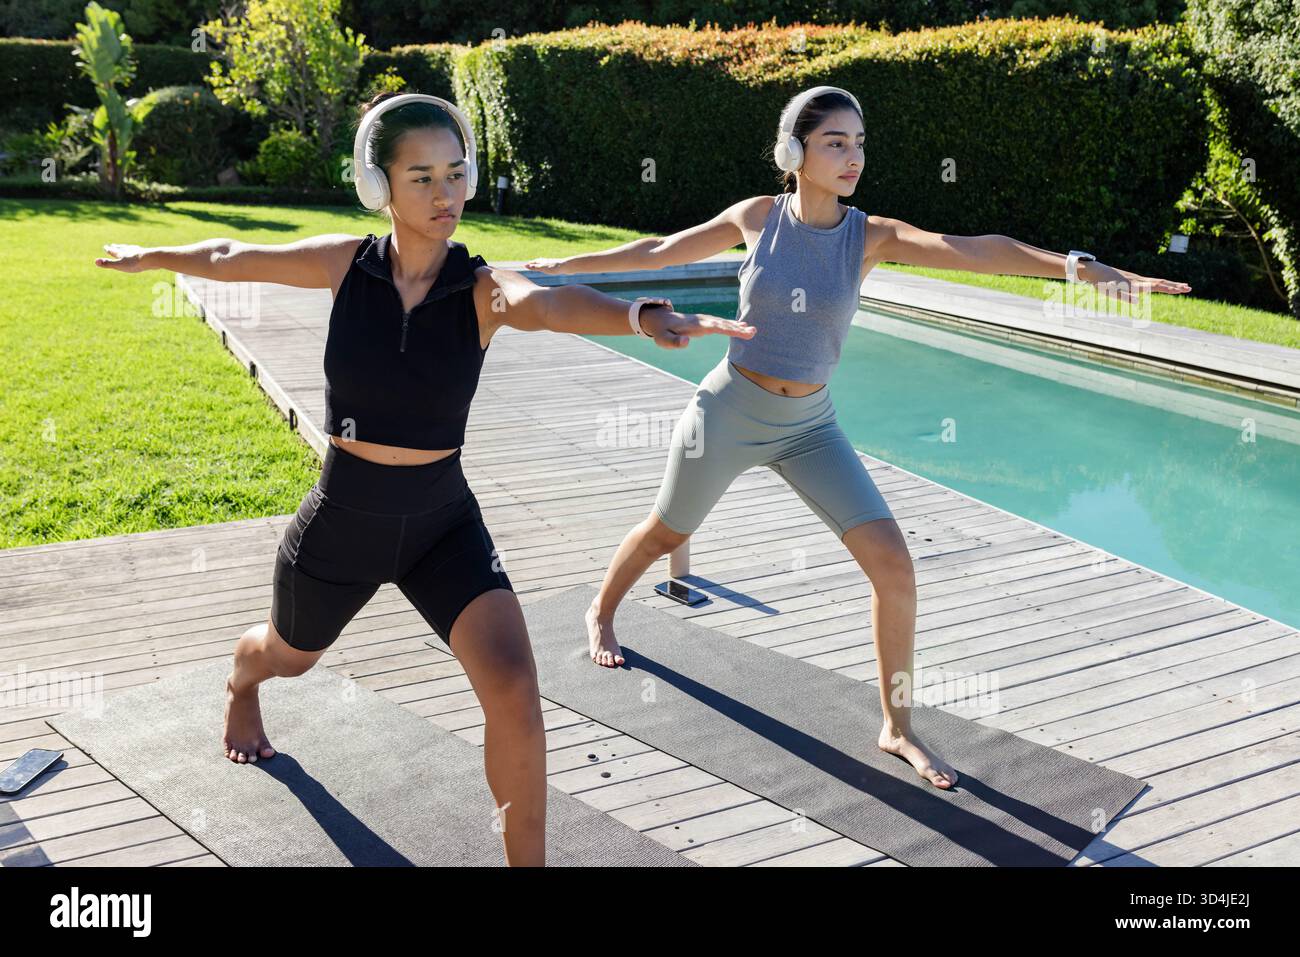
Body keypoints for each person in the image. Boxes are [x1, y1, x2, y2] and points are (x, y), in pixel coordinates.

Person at [93, 91, 755, 865]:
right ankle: (242, 684)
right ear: (380, 187)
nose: (445, 195)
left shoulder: (481, 287)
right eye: (421, 178)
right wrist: (155, 257)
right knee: (287, 654)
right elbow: (232, 257)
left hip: (442, 521)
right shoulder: (345, 265)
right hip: (343, 520)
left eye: (455, 173)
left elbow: (547, 303)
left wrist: (638, 312)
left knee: (514, 686)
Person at [526, 85, 1192, 791]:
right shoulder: (758, 218)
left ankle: (897, 726)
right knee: (664, 530)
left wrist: (1074, 266)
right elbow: (662, 250)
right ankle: (601, 610)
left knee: (894, 567)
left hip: (811, 425)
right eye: (835, 142)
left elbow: (971, 249)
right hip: (730, 411)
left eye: (860, 143)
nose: (853, 157)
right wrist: (561, 269)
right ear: (795, 152)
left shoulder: (868, 235)